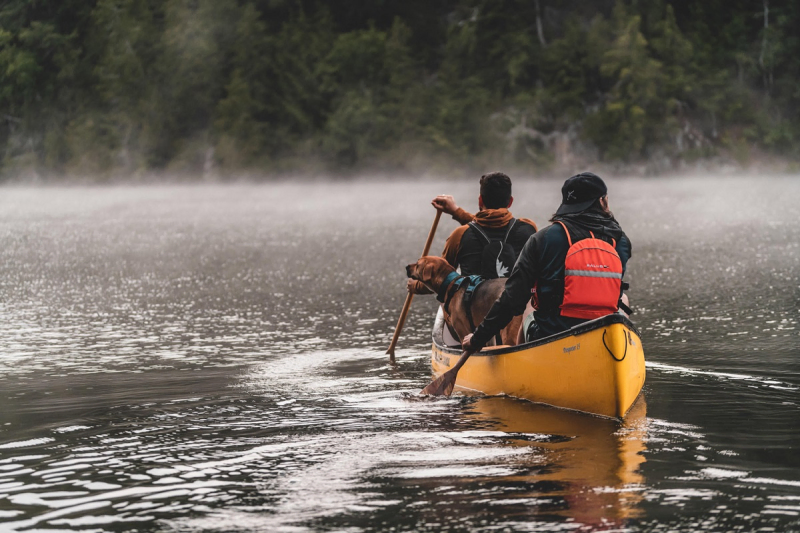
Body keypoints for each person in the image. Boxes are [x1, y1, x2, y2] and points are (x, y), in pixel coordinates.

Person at [461, 172, 632, 354]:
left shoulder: (542, 239)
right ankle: (624, 353)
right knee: (623, 298)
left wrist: (477, 339)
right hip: (604, 336)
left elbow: (511, 300)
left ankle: (520, 363)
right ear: (602, 202)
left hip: (552, 337)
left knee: (528, 305)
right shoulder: (620, 242)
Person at [407, 172, 538, 295]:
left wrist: (416, 286)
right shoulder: (529, 229)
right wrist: (456, 212)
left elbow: (440, 280)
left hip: (473, 315)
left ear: (480, 201)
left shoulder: (460, 235)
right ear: (510, 201)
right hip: (517, 310)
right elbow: (493, 223)